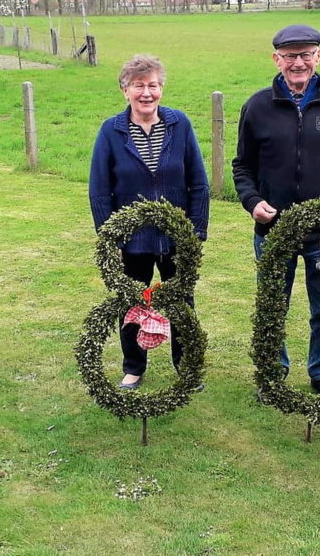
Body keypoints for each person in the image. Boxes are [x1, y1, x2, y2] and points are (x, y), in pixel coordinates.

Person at [232, 24, 320, 395]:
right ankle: (271, 373)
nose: (298, 63)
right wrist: (252, 202)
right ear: (276, 59)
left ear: (318, 57)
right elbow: (242, 166)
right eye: (290, 56)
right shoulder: (257, 107)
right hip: (273, 230)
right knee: (272, 306)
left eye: (306, 54)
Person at [88, 55, 209, 390]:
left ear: (161, 88)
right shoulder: (111, 131)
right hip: (133, 241)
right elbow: (99, 190)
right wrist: (109, 236)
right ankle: (133, 367)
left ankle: (185, 365)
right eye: (138, 86)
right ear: (125, 90)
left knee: (181, 303)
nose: (146, 93)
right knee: (131, 302)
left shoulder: (178, 124)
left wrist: (195, 230)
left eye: (152, 85)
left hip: (175, 239)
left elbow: (198, 182)